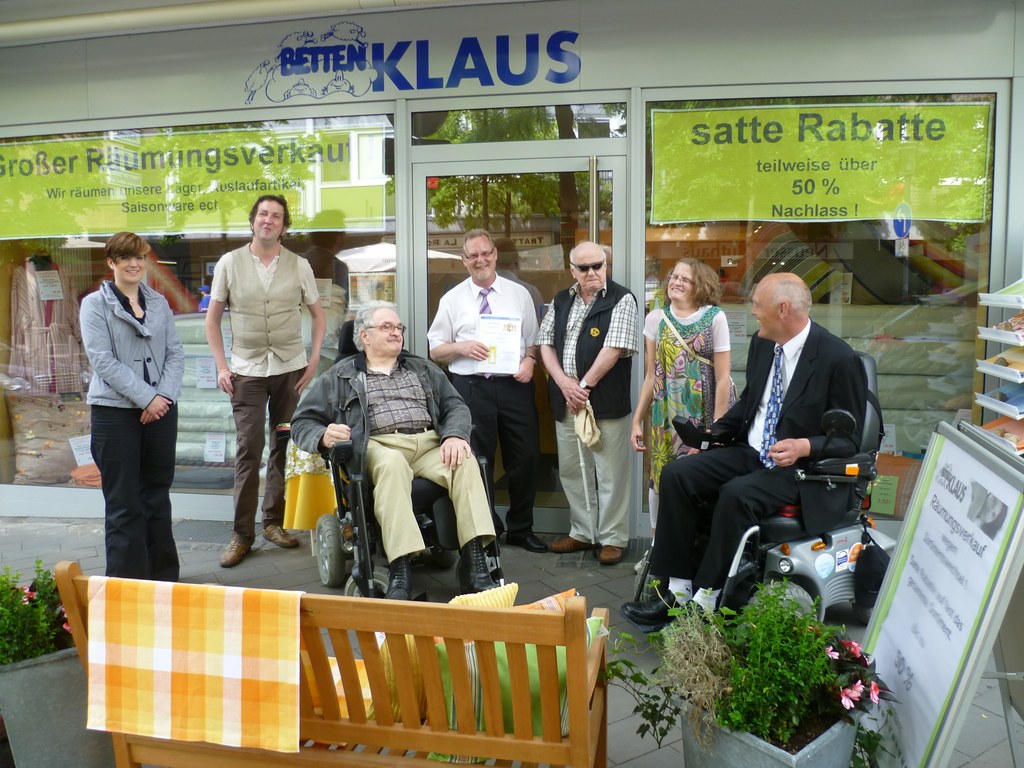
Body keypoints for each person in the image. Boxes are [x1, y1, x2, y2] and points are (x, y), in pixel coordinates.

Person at [621, 273, 868, 627]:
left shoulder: (838, 359)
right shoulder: (764, 343)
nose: (752, 312)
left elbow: (851, 440)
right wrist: (707, 438)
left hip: (796, 470)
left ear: (783, 309)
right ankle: (674, 591)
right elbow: (752, 403)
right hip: (750, 452)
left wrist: (804, 445)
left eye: (757, 305)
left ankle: (707, 598)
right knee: (677, 474)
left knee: (736, 494)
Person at [291, 301, 498, 599]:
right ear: (364, 336)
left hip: (428, 443)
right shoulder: (338, 377)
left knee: (464, 460)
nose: (396, 332)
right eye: (386, 327)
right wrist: (323, 435)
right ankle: (400, 567)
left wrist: (454, 435)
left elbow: (455, 406)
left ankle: (475, 565)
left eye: (398, 327)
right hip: (378, 445)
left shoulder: (423, 368)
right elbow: (302, 422)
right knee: (391, 464)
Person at [205, 194, 327, 568]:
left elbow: (319, 317)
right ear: (252, 221)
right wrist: (223, 367)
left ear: (285, 226)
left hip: (289, 369)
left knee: (283, 443)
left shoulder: (299, 265)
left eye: (276, 216)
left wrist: (313, 359)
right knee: (248, 448)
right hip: (247, 372)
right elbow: (212, 320)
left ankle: (273, 522)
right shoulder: (229, 263)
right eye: (263, 214)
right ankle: (242, 535)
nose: (268, 220)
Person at [427, 229, 546, 553]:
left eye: (485, 253)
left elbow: (532, 342)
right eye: (473, 255)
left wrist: (529, 361)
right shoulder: (452, 299)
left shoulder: (519, 293)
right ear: (464, 261)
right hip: (470, 387)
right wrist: (462, 346)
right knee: (477, 461)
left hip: (514, 385)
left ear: (495, 254)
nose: (480, 260)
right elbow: (436, 350)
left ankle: (522, 529)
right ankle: (486, 528)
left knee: (526, 458)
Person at [80, 232, 185, 580]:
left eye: (139, 257)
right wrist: (147, 398)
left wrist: (163, 398)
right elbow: (103, 361)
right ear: (111, 263)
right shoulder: (94, 305)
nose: (134, 264)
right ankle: (126, 588)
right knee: (124, 504)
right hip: (114, 414)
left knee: (157, 497)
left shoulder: (159, 303)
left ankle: (165, 581)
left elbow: (175, 354)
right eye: (125, 258)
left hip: (161, 411)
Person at [539, 241, 639, 565]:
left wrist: (582, 387)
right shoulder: (560, 299)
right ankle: (582, 532)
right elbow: (544, 344)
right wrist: (564, 384)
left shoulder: (622, 299)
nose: (593, 272)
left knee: (610, 472)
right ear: (572, 271)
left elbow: (615, 347)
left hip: (603, 402)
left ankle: (612, 538)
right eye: (584, 267)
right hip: (567, 400)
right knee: (571, 470)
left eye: (599, 265)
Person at [631, 258, 734, 529]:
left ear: (699, 285)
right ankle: (657, 545)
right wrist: (636, 420)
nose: (675, 282)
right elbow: (651, 375)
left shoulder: (715, 317)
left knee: (701, 478)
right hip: (666, 414)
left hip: (705, 414)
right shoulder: (655, 318)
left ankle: (697, 541)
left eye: (684, 279)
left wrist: (717, 428)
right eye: (674, 277)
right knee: (660, 477)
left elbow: (723, 377)